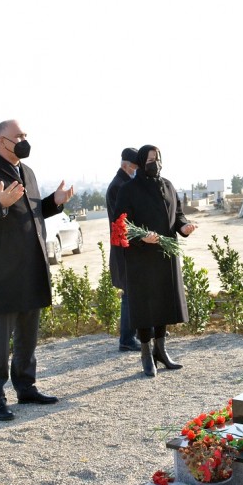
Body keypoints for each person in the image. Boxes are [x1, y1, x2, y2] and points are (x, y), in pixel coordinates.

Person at [0, 119, 74, 421]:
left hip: (31, 267)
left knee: (27, 336)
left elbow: (33, 212)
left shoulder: (28, 172)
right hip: (2, 273)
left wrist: (54, 202)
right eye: (18, 136)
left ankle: (26, 386)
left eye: (25, 134)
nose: (24, 139)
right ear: (2, 142)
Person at [116, 145, 197, 377]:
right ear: (141, 162)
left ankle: (160, 350)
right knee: (145, 305)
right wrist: (142, 237)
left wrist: (184, 226)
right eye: (151, 159)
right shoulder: (129, 189)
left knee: (164, 301)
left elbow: (178, 214)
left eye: (158, 159)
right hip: (141, 257)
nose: (156, 163)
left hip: (165, 254)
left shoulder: (168, 185)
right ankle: (145, 353)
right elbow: (121, 224)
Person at [106, 147, 141, 352]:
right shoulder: (119, 186)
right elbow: (124, 220)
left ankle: (141, 332)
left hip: (130, 246)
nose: (136, 171)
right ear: (125, 166)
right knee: (129, 293)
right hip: (124, 247)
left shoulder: (126, 183)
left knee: (136, 291)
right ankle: (127, 339)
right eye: (135, 168)